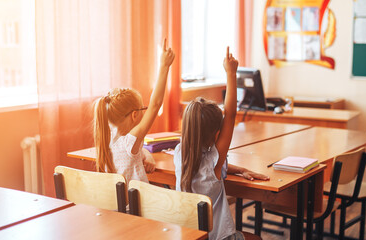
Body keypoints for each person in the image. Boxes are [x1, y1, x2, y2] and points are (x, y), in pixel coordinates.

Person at [173, 47, 270, 240]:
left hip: (190, 236)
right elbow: (231, 114)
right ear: (216, 133)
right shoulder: (214, 161)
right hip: (217, 238)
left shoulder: (179, 153)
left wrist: (240, 169)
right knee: (257, 239)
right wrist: (231, 73)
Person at [93, 39, 175, 182]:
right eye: (143, 108)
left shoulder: (108, 136)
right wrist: (164, 66)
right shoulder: (130, 141)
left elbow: (134, 150)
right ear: (135, 115)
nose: (146, 111)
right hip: (135, 204)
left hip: (116, 204)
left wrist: (146, 154)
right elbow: (155, 104)